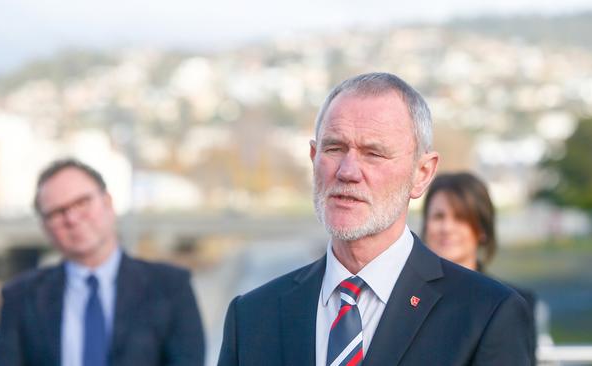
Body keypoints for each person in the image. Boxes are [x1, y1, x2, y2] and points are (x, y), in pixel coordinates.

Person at [218, 72, 532, 365]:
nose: (348, 171)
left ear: (421, 174)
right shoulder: (251, 317)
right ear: (314, 159)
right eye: (335, 148)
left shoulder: (486, 314)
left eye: (374, 153)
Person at [0, 159, 205, 366]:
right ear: (45, 226)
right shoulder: (20, 297)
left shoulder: (170, 287)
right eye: (57, 212)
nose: (72, 219)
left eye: (82, 202)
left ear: (107, 203)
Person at [421, 172, 538, 365]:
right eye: (438, 216)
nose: (447, 228)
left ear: (482, 229)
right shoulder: (403, 295)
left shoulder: (513, 303)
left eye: (460, 218)